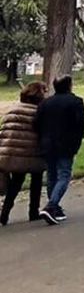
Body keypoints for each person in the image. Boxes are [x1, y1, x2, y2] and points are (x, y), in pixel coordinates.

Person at [33, 75, 84, 225]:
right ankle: (51, 205)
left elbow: (36, 123)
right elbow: (80, 124)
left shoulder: (45, 103)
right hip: (66, 144)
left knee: (52, 175)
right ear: (69, 85)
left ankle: (54, 207)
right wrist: (77, 141)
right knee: (64, 175)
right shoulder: (76, 102)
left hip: (47, 144)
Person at [0, 81, 47, 226]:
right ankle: (33, 211)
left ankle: (5, 213)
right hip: (33, 152)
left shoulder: (12, 111)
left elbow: (3, 133)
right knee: (36, 181)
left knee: (15, 183)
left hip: (13, 153)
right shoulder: (39, 113)